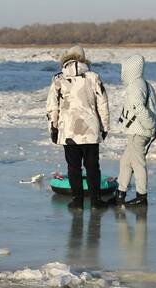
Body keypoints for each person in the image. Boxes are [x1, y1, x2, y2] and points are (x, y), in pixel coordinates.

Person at [46, 45, 110, 209]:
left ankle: (77, 201)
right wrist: (104, 127)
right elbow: (102, 104)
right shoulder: (93, 77)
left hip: (69, 130)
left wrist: (53, 128)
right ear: (83, 58)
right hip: (90, 129)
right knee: (92, 166)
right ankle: (96, 201)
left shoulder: (58, 79)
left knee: (73, 167)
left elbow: (52, 107)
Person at [116, 55, 156, 206]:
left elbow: (139, 109)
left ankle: (141, 196)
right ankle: (120, 194)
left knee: (138, 163)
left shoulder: (136, 86)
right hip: (139, 131)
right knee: (125, 162)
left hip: (139, 132)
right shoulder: (145, 84)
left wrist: (149, 125)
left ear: (130, 70)